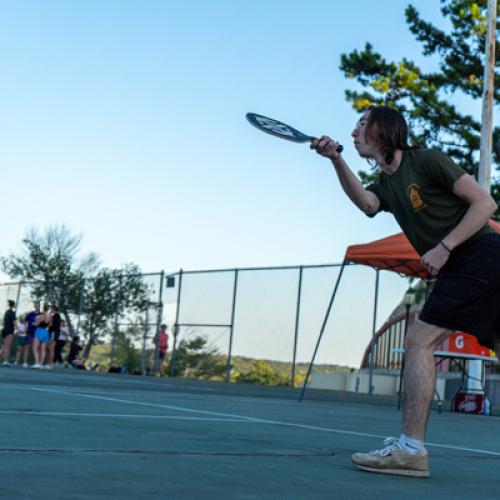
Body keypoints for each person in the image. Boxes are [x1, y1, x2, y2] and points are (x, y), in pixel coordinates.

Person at [310, 105, 499, 478]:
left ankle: (411, 449)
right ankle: (409, 448)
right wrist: (334, 160)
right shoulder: (386, 184)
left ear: (385, 130)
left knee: (418, 341)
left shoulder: (426, 160)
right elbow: (367, 202)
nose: (353, 132)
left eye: (362, 124)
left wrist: (444, 248)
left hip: (479, 256)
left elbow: (485, 203)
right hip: (471, 267)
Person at [32, 304, 51, 368]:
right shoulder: (50, 316)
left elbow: (36, 324)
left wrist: (33, 323)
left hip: (39, 331)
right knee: (43, 349)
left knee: (35, 348)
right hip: (46, 332)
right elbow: (50, 325)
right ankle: (41, 364)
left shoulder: (42, 316)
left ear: (43, 308)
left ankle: (37, 363)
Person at [0, 300, 17, 366]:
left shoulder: (6, 312)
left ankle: (6, 361)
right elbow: (14, 322)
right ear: (13, 305)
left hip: (4, 330)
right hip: (9, 330)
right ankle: (6, 361)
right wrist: (19, 329)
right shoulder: (12, 312)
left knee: (4, 346)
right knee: (7, 347)